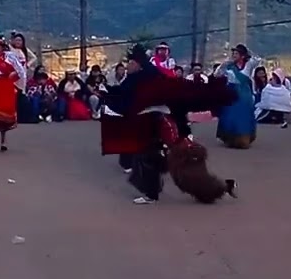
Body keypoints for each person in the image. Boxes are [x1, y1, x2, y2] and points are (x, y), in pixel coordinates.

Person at [101, 44, 236, 204]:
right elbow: (125, 98)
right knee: (153, 158)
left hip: (164, 124)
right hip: (155, 125)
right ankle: (214, 187)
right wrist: (107, 91)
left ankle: (216, 187)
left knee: (165, 160)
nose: (127, 66)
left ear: (137, 64)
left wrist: (107, 94)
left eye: (130, 63)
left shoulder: (150, 80)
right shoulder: (138, 79)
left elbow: (129, 103)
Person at [215, 58, 256, 148]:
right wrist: (223, 65)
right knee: (229, 115)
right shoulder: (229, 66)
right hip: (231, 91)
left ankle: (243, 139)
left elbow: (255, 61)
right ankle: (229, 138)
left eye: (237, 54)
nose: (234, 56)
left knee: (243, 117)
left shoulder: (248, 65)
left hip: (244, 93)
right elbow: (217, 75)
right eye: (234, 54)